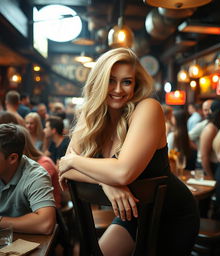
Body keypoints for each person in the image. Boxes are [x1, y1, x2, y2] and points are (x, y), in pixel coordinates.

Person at [58, 48, 199, 255]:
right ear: (98, 82)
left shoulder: (148, 108)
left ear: (136, 84)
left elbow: (122, 172)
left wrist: (74, 161)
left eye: (126, 81)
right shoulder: (91, 119)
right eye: (110, 80)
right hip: (130, 214)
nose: (118, 89)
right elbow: (64, 169)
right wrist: (105, 181)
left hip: (171, 215)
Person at [0, 123, 56, 234]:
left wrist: (1, 221)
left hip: (26, 243)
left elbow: (45, 224)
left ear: (12, 158)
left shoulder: (35, 175)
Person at [21, 125, 62, 208]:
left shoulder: (44, 164)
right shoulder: (52, 144)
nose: (44, 130)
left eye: (47, 127)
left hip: (51, 207)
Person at [200, 98, 220, 178]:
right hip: (212, 167)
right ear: (218, 111)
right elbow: (204, 156)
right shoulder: (210, 129)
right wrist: (210, 176)